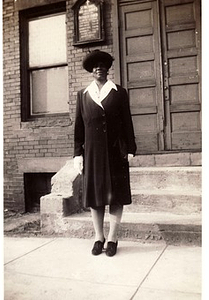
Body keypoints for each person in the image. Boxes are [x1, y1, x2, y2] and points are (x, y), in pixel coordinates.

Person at [73, 50, 137, 257]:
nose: (99, 69)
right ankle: (98, 237)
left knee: (115, 196)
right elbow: (79, 128)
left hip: (115, 152)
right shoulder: (83, 95)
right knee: (96, 196)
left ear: (108, 69)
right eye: (95, 66)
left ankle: (112, 238)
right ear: (91, 71)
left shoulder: (119, 92)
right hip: (92, 153)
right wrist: (78, 154)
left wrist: (130, 149)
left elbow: (127, 122)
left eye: (103, 66)